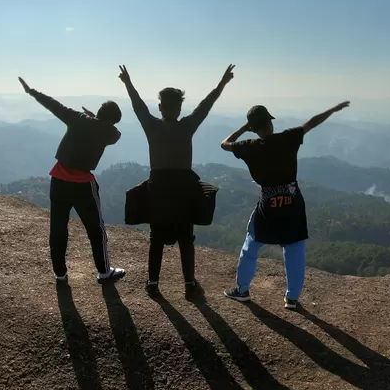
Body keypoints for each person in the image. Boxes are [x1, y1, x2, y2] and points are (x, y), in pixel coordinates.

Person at [119, 63, 235, 299]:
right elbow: (206, 105)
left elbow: (138, 105)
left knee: (157, 238)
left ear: (160, 107)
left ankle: (152, 284)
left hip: (158, 188)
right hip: (184, 189)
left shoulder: (151, 126)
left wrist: (128, 83)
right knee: (185, 238)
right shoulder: (187, 126)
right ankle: (189, 285)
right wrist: (222, 83)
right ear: (180, 108)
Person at [221, 100, 350, 310]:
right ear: (270, 123)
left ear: (253, 128)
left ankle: (242, 289)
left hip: (268, 205)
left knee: (251, 244)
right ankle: (292, 298)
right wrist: (333, 110)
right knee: (295, 248)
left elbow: (224, 143)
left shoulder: (249, 147)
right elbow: (312, 122)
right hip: (293, 203)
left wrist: (244, 129)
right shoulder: (288, 138)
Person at [18, 76, 126, 285]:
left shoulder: (76, 119)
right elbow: (116, 133)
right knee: (96, 229)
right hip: (83, 185)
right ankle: (104, 272)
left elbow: (54, 105)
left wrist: (31, 91)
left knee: (58, 228)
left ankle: (60, 274)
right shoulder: (109, 133)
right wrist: (97, 120)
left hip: (59, 180)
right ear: (112, 120)